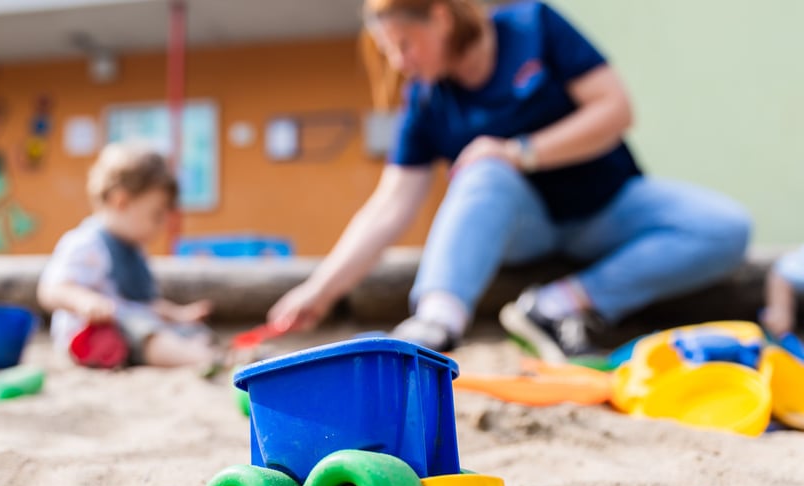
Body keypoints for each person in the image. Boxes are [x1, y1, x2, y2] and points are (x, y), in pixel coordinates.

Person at [267, 0, 752, 361]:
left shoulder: (534, 26)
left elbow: (615, 108)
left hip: (609, 204)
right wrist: (319, 290)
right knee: (482, 170)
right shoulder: (426, 99)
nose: (398, 62)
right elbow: (390, 205)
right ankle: (436, 320)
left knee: (725, 226)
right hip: (527, 230)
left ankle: (561, 303)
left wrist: (520, 151)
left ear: (440, 16)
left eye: (403, 44)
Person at [38, 142, 218, 370]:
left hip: (135, 324)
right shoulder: (87, 243)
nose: (161, 225)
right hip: (93, 335)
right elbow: (51, 289)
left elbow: (144, 303)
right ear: (121, 201)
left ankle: (198, 351)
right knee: (146, 332)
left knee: (192, 331)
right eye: (155, 215)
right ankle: (199, 358)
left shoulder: (134, 249)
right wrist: (84, 301)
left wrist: (178, 315)